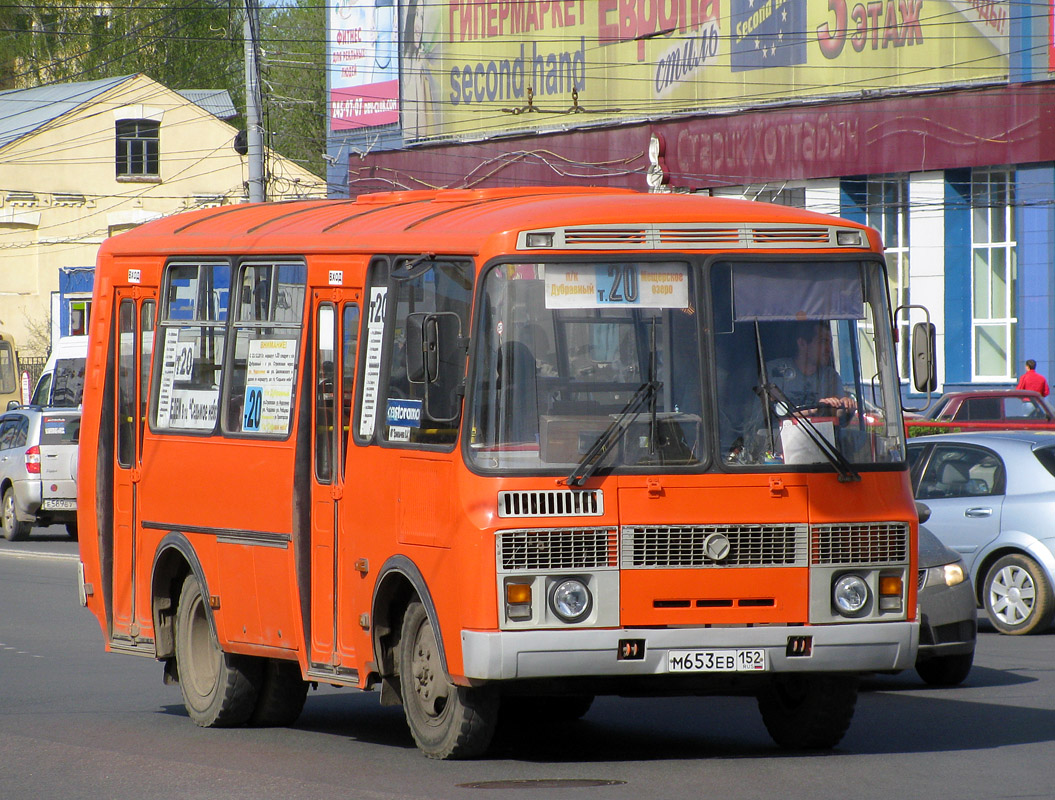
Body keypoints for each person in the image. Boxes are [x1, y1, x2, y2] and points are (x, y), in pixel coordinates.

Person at [764, 320, 855, 415]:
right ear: (802, 343)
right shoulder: (775, 371)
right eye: (823, 342)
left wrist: (847, 408)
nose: (829, 349)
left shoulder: (830, 377)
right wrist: (816, 409)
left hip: (820, 430)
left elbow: (839, 418)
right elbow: (772, 418)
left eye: (829, 343)